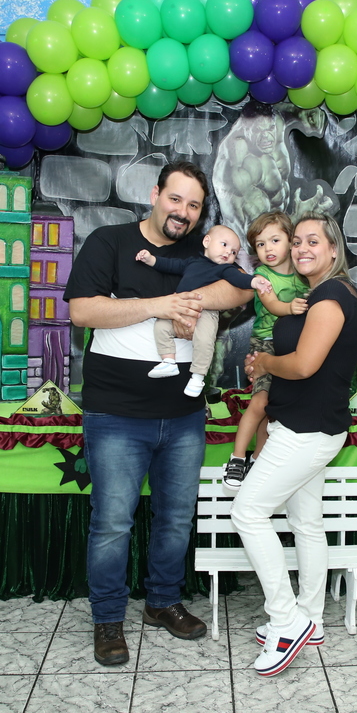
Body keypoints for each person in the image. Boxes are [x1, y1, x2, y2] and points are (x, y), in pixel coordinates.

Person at [64, 162, 254, 666]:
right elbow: (83, 311)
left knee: (175, 517)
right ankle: (108, 618)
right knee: (112, 522)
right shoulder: (109, 241)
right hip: (116, 413)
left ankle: (163, 602)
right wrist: (162, 305)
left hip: (185, 413)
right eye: (176, 199)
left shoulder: (202, 252)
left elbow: (239, 291)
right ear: (155, 194)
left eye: (194, 205)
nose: (183, 212)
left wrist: (188, 299)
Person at [231, 212, 357, 676]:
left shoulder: (331, 297)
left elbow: (305, 364)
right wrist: (267, 365)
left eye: (314, 241)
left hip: (307, 431)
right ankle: (312, 617)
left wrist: (265, 362)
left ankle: (287, 622)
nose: (302, 248)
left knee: (248, 512)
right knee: (307, 522)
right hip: (307, 426)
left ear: (334, 249)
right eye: (297, 241)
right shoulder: (319, 295)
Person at [136, 224, 273, 397]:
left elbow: (240, 279)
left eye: (234, 252)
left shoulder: (226, 269)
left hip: (207, 312)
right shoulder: (192, 262)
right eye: (224, 245)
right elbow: (170, 265)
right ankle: (168, 361)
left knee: (205, 340)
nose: (228, 252)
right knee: (161, 326)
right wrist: (150, 259)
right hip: (179, 309)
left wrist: (255, 282)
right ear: (207, 241)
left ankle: (198, 376)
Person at [223, 211, 308, 491]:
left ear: (291, 241)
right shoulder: (262, 275)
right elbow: (271, 304)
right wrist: (290, 308)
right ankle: (237, 458)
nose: (268, 248)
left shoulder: (303, 275)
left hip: (293, 347)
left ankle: (258, 460)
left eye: (274, 240)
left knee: (273, 410)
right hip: (266, 343)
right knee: (260, 402)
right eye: (260, 244)